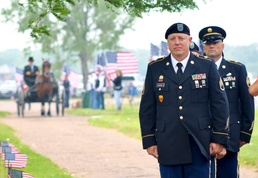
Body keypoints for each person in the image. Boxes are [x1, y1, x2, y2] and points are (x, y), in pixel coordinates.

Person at [139, 22, 230, 178]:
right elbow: (147, 107)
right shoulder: (155, 68)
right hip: (167, 141)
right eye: (172, 39)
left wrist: (219, 138)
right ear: (167, 43)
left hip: (199, 141)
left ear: (190, 40)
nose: (177, 42)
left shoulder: (206, 66)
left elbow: (219, 104)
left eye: (181, 38)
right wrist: (149, 140)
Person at [199, 26, 255, 178]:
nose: (211, 45)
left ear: (222, 45)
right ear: (203, 46)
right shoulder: (196, 70)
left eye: (215, 42)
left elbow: (247, 103)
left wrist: (244, 134)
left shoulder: (236, 69)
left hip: (231, 133)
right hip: (203, 132)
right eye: (208, 43)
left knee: (228, 175)